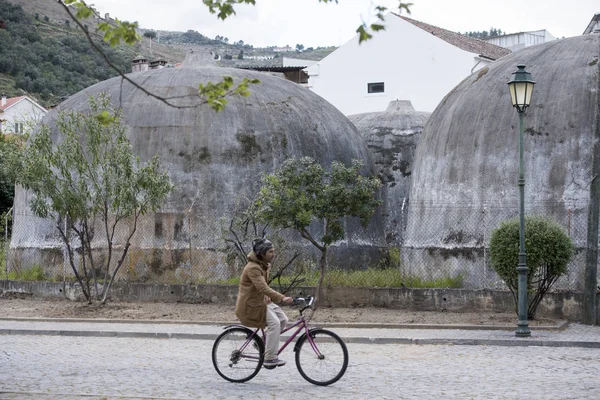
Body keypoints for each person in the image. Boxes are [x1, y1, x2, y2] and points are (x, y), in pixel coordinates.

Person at [235, 238, 294, 367]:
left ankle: (260, 342)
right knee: (275, 324)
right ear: (262, 254)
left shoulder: (264, 265)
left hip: (261, 302)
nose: (274, 254)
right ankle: (270, 358)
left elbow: (261, 287)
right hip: (251, 305)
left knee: (283, 319)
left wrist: (267, 296)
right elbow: (262, 287)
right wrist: (282, 298)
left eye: (273, 251)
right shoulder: (253, 268)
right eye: (271, 252)